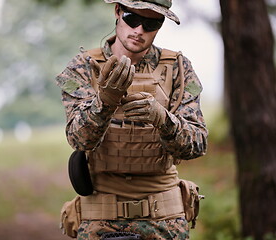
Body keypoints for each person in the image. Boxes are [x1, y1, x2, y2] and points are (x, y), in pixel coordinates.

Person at [56, 0, 208, 239]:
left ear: (160, 25)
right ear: (117, 11)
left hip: (165, 221)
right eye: (132, 18)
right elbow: (79, 140)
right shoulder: (84, 67)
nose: (139, 30)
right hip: (101, 221)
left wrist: (162, 118)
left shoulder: (177, 68)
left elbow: (197, 144)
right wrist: (105, 101)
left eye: (150, 23)